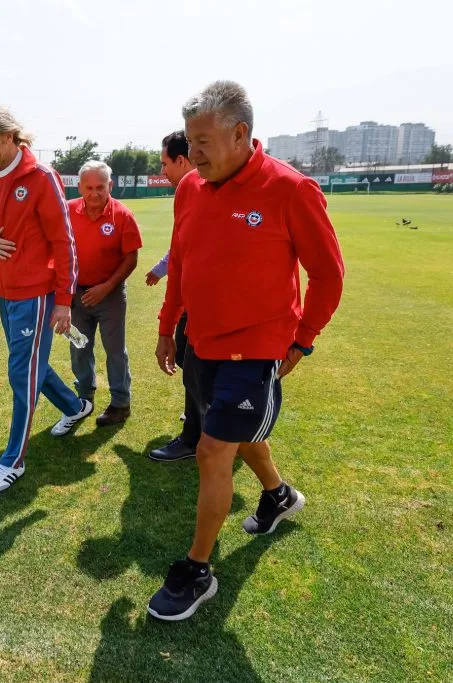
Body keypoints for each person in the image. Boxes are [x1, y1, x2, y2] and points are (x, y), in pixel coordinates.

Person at [147, 81, 345, 621]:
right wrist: (168, 328)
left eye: (204, 141)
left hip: (257, 350)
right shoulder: (189, 190)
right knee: (233, 435)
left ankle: (197, 572)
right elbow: (182, 267)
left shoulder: (290, 189)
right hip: (201, 344)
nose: (193, 153)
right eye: (189, 141)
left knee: (213, 451)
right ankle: (279, 496)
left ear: (240, 134)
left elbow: (328, 276)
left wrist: (303, 340)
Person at [0, 102, 93, 495]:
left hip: (37, 296)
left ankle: (13, 460)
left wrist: (63, 300)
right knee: (31, 365)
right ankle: (76, 408)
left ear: (8, 136)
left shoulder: (41, 177)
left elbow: (64, 241)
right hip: (5, 292)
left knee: (21, 374)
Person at [59, 160, 141, 430]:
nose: (95, 193)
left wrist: (106, 287)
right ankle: (84, 398)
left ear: (110, 186)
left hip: (111, 296)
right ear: (80, 187)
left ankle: (120, 403)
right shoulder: (68, 211)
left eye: (101, 187)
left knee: (115, 351)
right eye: (89, 187)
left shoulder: (123, 215)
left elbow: (131, 259)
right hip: (76, 296)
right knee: (78, 345)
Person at [143, 131, 201, 460]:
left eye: (165, 164)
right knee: (188, 362)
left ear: (182, 160)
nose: (162, 171)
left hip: (211, 306)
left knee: (194, 367)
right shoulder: (190, 193)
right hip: (193, 301)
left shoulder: (201, 189)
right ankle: (202, 420)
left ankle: (196, 433)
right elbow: (181, 250)